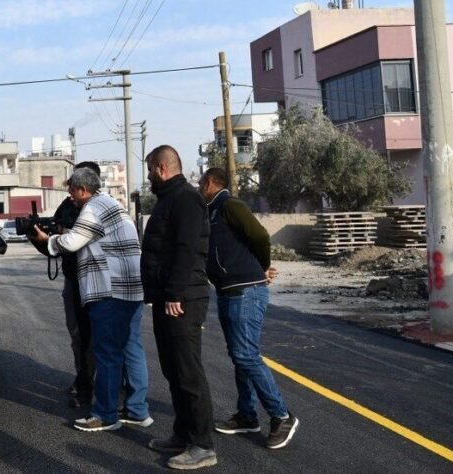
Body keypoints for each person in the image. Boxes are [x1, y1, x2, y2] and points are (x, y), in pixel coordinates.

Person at [31, 167, 149, 433]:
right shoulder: (112, 204)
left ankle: (105, 415)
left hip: (108, 289)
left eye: (72, 191)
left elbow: (72, 242)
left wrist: (47, 241)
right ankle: (138, 409)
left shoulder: (93, 207)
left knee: (106, 352)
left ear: (83, 189)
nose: (71, 197)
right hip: (130, 288)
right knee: (131, 348)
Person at [198, 168, 299, 450]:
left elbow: (260, 236)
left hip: (246, 292)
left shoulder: (231, 205)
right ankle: (246, 415)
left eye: (199, 184)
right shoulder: (212, 212)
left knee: (246, 355)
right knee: (239, 355)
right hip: (230, 291)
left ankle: (281, 415)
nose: (198, 188)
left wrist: (262, 267)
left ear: (208, 183)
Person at [141, 146, 217, 470]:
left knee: (188, 372)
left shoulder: (186, 198)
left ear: (160, 168)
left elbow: (186, 250)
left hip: (182, 299)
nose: (147, 178)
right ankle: (183, 434)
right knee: (172, 370)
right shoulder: (169, 199)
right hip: (166, 298)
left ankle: (202, 445)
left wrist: (173, 294)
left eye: (148, 171)